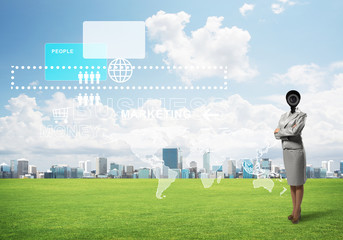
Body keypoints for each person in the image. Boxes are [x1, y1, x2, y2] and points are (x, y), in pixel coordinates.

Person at [274, 90, 307, 224]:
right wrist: (285, 132)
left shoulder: (302, 115)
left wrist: (282, 132)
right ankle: (295, 210)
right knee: (292, 183)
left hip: (297, 151)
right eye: (290, 98)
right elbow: (275, 134)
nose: (292, 100)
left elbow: (295, 131)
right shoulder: (283, 116)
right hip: (286, 150)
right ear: (287, 99)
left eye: (294, 98)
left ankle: (296, 212)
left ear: (298, 99)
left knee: (298, 182)